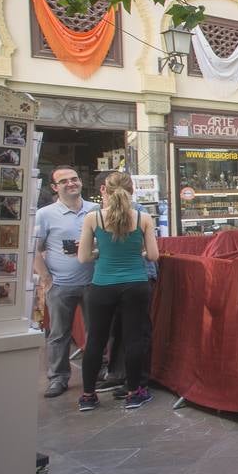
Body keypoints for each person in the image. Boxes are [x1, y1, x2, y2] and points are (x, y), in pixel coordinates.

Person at [76, 171, 159, 412]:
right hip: (136, 284)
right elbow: (153, 255)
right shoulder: (143, 217)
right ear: (132, 190)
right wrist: (138, 253)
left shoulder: (94, 218)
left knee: (96, 341)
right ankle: (135, 393)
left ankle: (88, 396)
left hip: (102, 285)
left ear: (105, 190)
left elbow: (83, 257)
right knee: (134, 339)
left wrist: (100, 253)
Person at [32, 166, 98, 398]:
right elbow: (35, 250)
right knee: (59, 334)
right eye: (64, 181)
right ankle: (58, 378)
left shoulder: (96, 209)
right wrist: (46, 279)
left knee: (96, 331)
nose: (71, 183)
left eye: (75, 179)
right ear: (54, 187)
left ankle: (96, 371)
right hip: (60, 284)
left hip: (94, 282)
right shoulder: (45, 214)